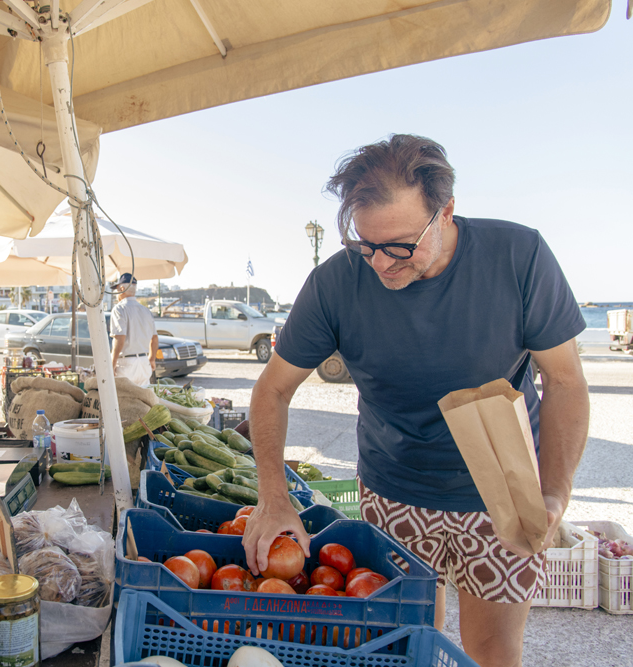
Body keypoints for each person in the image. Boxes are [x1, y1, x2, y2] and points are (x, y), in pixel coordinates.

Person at [241, 134, 589, 667]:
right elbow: (273, 389)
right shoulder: (336, 281)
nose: (380, 263)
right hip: (391, 489)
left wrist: (555, 492)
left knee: (491, 649)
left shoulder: (519, 256)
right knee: (406, 641)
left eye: (400, 246)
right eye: (365, 244)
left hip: (501, 494)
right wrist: (273, 496)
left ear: (446, 211)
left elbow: (564, 381)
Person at [109, 273, 158, 387]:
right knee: (143, 401)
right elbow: (154, 339)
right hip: (143, 362)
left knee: (124, 401)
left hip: (127, 364)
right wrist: (151, 359)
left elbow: (120, 337)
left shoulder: (119, 309)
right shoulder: (146, 311)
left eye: (117, 289)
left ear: (122, 288)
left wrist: (113, 362)